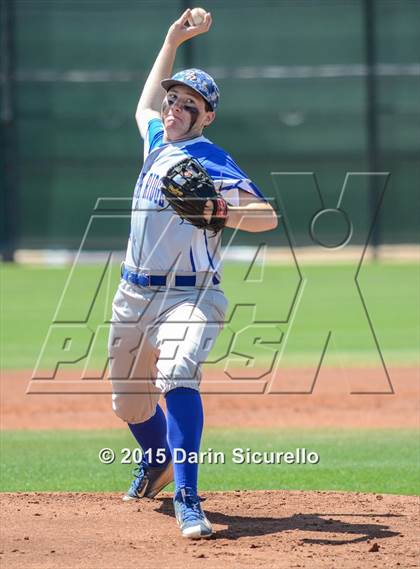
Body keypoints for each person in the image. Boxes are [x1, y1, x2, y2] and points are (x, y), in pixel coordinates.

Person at [108, 8, 277, 539]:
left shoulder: (211, 158)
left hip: (190, 296)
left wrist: (219, 212)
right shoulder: (157, 139)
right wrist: (171, 40)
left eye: (190, 104)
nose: (176, 107)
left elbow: (266, 217)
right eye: (174, 99)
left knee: (178, 371)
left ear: (206, 117)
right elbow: (143, 103)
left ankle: (187, 496)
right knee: (129, 405)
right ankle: (157, 460)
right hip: (133, 294)